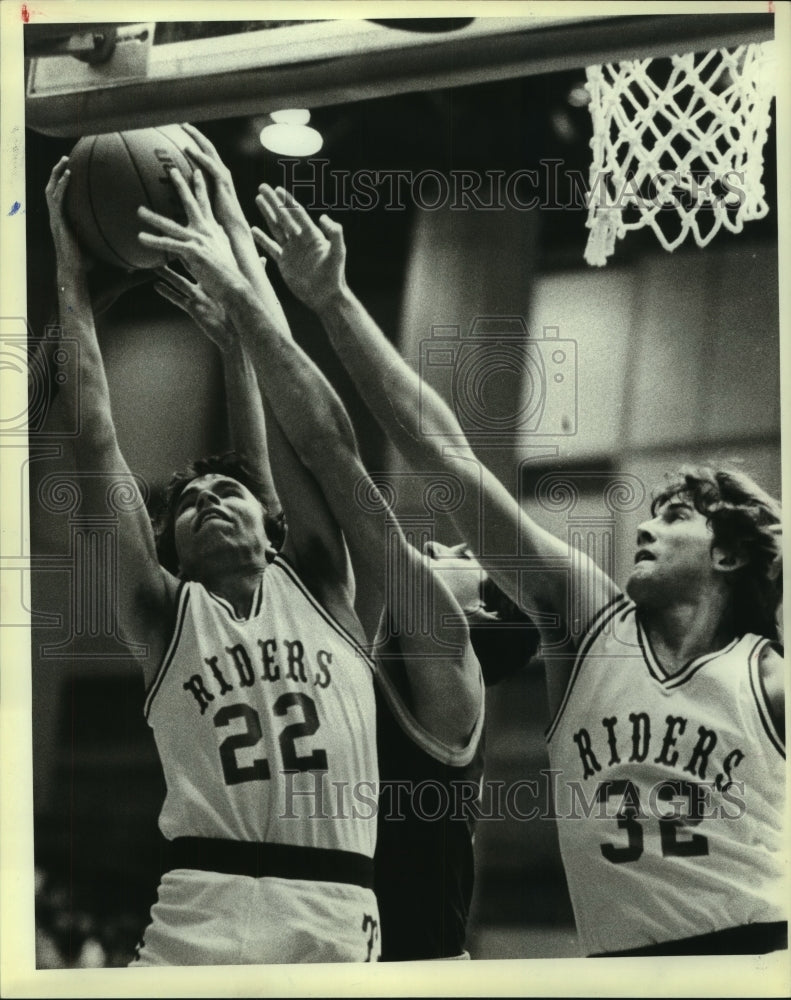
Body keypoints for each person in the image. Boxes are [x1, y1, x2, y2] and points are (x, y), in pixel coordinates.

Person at [251, 185, 787, 957]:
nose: (640, 523)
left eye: (673, 516)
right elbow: (447, 455)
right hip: (620, 969)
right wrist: (332, 301)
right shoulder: (588, 625)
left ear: (729, 554)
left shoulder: (766, 680)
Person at [145, 128, 517, 961]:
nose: (442, 553)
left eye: (459, 563)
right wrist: (240, 336)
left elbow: (331, 458)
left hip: (417, 968)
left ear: (483, 610)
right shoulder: (339, 656)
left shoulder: (446, 665)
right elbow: (275, 507)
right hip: (335, 949)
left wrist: (245, 273)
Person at [46, 147, 388, 966]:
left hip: (332, 909)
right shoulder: (165, 618)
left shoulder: (323, 587)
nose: (204, 500)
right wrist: (69, 274)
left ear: (270, 526)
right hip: (200, 910)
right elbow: (97, 444)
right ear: (172, 552)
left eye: (224, 493)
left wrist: (239, 341)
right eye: (187, 506)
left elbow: (293, 444)